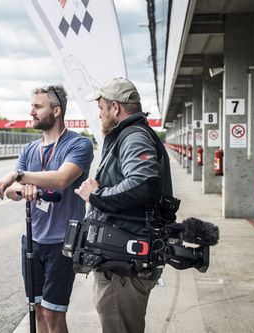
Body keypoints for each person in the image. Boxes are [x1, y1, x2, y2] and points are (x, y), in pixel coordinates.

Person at [0, 84, 94, 333]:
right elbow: (10, 191)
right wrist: (22, 188)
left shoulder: (79, 145)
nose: (32, 112)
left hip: (63, 243)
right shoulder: (29, 149)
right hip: (33, 241)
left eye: (38, 107)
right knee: (38, 309)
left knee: (53, 312)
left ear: (57, 110)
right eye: (32, 107)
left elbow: (61, 180)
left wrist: (20, 176)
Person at [75, 78, 173, 333]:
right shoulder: (131, 135)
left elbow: (143, 181)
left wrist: (97, 195)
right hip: (123, 259)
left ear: (115, 108)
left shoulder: (132, 136)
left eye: (101, 107)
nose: (99, 113)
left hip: (123, 263)